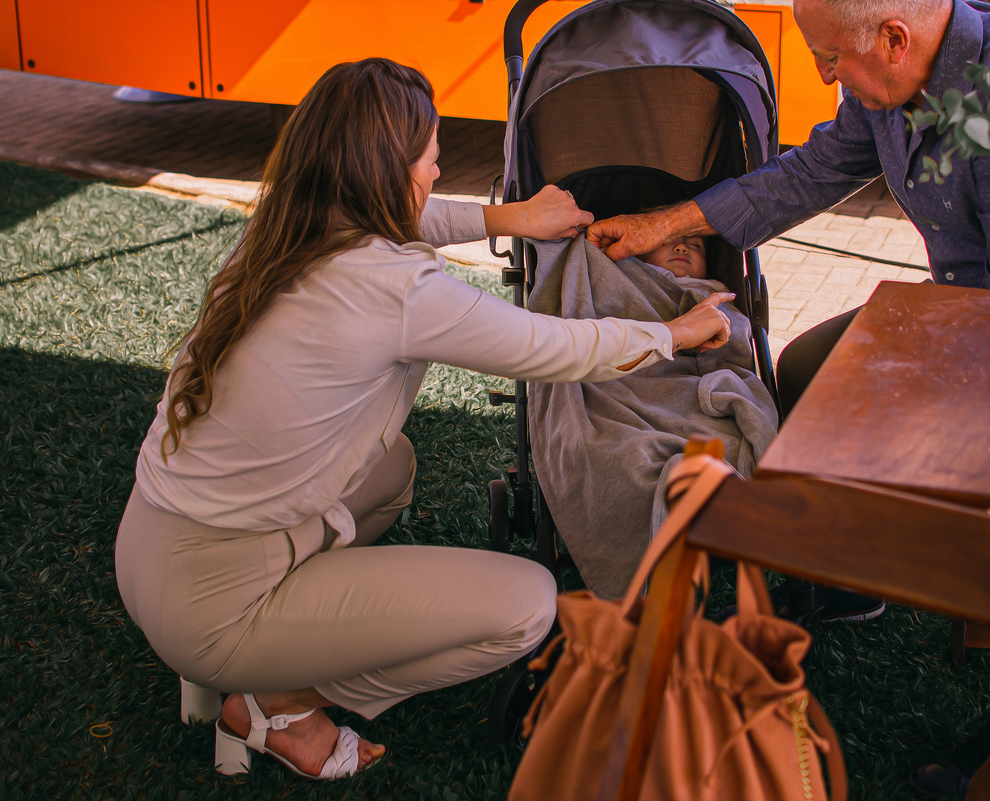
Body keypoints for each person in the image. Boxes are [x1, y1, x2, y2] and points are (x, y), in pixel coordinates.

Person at [586, 0, 990, 797]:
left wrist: (905, 384)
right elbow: (808, 173)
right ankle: (851, 577)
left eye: (829, 58)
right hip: (978, 309)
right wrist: (670, 221)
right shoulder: (893, 78)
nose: (823, 74)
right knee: (806, 365)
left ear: (895, 39)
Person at [114, 58, 733, 782]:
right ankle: (278, 697)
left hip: (152, 547)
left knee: (393, 465)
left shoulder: (291, 219)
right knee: (527, 604)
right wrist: (674, 335)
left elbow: (411, 217)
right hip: (218, 604)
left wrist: (508, 217)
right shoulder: (394, 288)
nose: (438, 174)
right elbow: (552, 348)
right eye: (433, 160)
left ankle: (255, 653)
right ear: (389, 173)